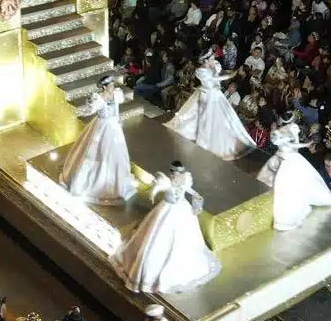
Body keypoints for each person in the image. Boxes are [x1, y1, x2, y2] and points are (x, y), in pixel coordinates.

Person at [111, 161, 220, 293]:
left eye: (179, 174)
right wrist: (153, 194)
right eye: (174, 174)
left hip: (182, 211)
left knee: (183, 241)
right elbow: (158, 188)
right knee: (156, 239)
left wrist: (196, 196)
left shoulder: (185, 181)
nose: (176, 177)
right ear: (171, 174)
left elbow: (189, 190)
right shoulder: (167, 183)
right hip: (166, 212)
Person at [164, 49, 256, 160]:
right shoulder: (200, 71)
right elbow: (214, 78)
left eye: (213, 58)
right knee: (206, 118)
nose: (214, 60)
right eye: (211, 59)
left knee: (221, 118)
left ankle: (217, 137)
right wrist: (229, 76)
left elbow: (218, 72)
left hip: (216, 95)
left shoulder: (212, 65)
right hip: (207, 96)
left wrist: (220, 69)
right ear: (205, 61)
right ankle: (205, 141)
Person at [256, 111, 331, 231]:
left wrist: (304, 145)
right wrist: (305, 145)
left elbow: (288, 145)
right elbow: (293, 145)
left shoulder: (278, 132)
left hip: (282, 156)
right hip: (288, 158)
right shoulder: (291, 129)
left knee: (283, 181)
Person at [60, 75, 136, 205]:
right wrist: (89, 102)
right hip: (101, 127)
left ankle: (116, 183)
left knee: (116, 154)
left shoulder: (116, 94)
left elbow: (117, 107)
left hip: (114, 128)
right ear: (104, 87)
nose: (113, 87)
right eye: (111, 85)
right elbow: (90, 110)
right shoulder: (98, 98)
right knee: (95, 153)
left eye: (113, 85)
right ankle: (89, 182)